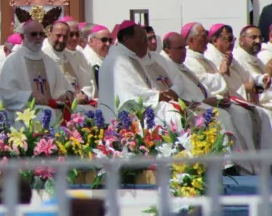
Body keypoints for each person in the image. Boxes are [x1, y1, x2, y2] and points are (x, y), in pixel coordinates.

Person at [162, 32, 257, 174]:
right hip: (188, 107)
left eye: (184, 47)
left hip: (201, 102)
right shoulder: (167, 65)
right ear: (168, 50)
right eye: (180, 48)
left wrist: (213, 99)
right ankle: (228, 165)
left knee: (241, 113)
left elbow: (200, 87)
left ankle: (248, 163)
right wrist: (205, 100)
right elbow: (175, 95)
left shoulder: (180, 64)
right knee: (222, 115)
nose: (184, 52)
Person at [183, 22, 272, 151]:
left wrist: (260, 79)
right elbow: (205, 83)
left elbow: (246, 75)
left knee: (257, 114)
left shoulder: (218, 56)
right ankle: (241, 161)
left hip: (233, 97)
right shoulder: (200, 58)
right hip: (215, 100)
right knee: (244, 115)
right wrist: (223, 72)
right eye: (228, 39)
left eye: (232, 39)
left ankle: (261, 159)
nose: (206, 39)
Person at [98, 21, 181, 127]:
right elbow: (132, 92)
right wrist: (159, 96)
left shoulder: (130, 56)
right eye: (141, 36)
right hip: (118, 120)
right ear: (126, 38)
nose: (145, 41)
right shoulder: (117, 60)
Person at [0, 19, 73, 125]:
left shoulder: (49, 61)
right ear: (23, 36)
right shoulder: (12, 62)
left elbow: (62, 87)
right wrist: (29, 96)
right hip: (19, 116)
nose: (38, 38)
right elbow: (7, 94)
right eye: (33, 34)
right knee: (44, 113)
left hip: (49, 112)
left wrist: (66, 94)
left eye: (41, 34)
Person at [43, 19, 95, 106]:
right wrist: (73, 97)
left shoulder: (71, 55)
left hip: (76, 104)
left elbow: (85, 82)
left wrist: (84, 94)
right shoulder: (44, 56)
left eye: (65, 36)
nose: (61, 40)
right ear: (49, 34)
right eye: (58, 35)